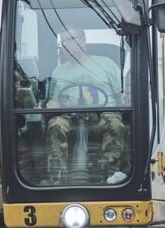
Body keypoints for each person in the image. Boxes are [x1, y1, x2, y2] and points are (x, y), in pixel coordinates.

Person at [45, 28, 127, 182]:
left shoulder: (107, 64)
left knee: (116, 125)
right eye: (64, 42)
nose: (67, 45)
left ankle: (111, 175)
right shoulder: (58, 72)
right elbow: (54, 100)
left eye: (71, 39)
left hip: (103, 114)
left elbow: (120, 96)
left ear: (83, 40)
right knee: (55, 124)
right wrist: (51, 105)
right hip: (71, 116)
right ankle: (57, 177)